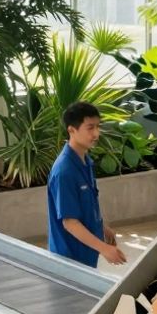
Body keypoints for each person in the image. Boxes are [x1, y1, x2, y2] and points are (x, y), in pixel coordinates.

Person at [46, 102, 126, 268]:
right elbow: (70, 222)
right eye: (90, 128)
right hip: (69, 259)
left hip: (86, 255)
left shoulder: (85, 162)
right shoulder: (64, 171)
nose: (96, 134)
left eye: (98, 127)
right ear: (72, 130)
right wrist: (104, 248)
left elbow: (86, 205)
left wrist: (101, 227)